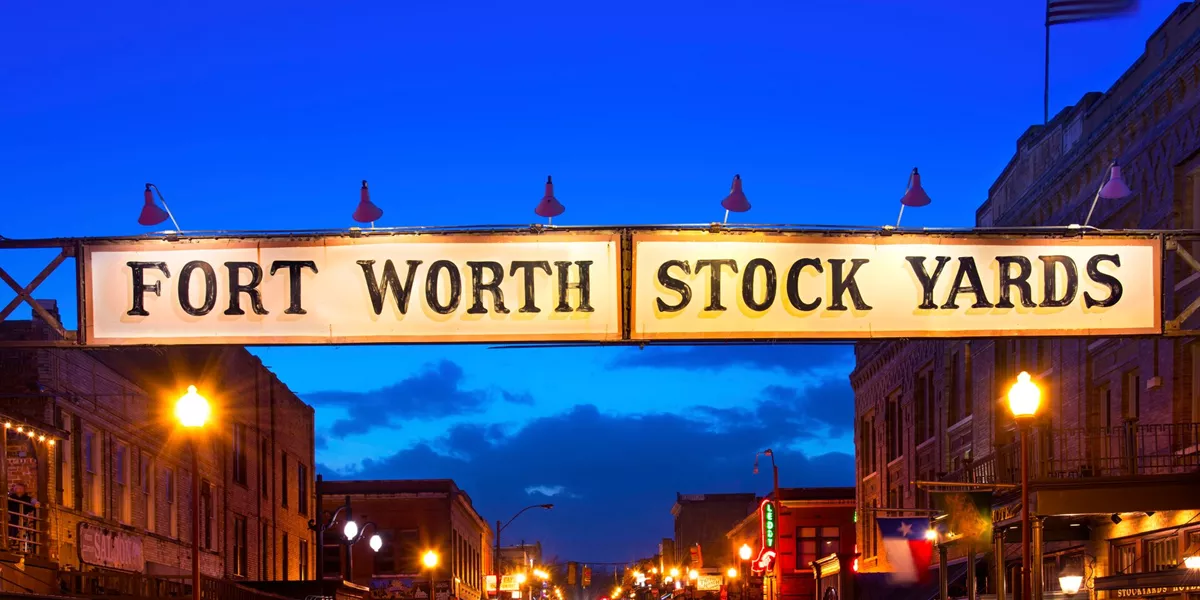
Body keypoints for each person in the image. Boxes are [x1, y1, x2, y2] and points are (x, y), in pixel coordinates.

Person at [8, 482, 37, 550]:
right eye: (17, 488)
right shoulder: (11, 497)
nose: (19, 490)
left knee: (23, 528)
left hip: (22, 518)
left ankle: (23, 545)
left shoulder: (26, 498)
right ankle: (11, 541)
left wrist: (35, 503)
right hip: (12, 517)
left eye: (21, 488)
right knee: (11, 526)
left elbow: (33, 502)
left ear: (24, 490)